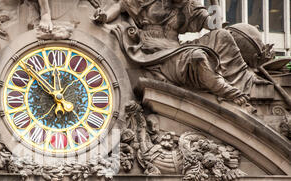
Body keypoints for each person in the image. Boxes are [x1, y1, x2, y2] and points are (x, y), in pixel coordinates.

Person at [93, 0, 267, 110]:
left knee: (222, 36)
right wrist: (104, 16)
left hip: (176, 48)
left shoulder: (188, 6)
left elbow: (216, 25)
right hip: (154, 51)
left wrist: (214, 2)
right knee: (198, 56)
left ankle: (245, 80)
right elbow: (120, 5)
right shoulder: (146, 2)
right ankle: (224, 89)